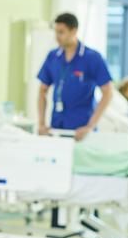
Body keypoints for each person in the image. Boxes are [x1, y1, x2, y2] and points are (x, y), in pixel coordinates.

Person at [37, 12, 113, 141]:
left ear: (74, 31)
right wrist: (41, 123)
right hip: (57, 128)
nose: (57, 37)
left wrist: (90, 125)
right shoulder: (53, 57)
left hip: (82, 131)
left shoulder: (92, 58)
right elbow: (42, 90)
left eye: (61, 32)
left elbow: (108, 93)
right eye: (56, 32)